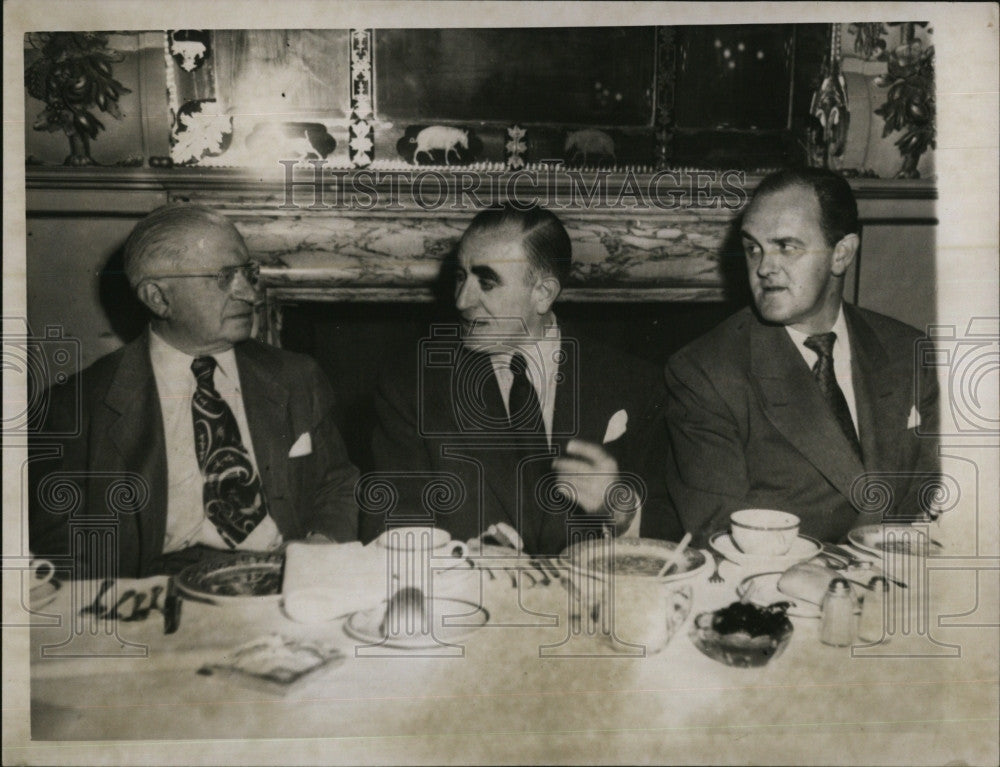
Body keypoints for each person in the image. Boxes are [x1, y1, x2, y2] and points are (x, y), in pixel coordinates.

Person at [29, 204, 360, 577]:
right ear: (158, 297)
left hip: (282, 574)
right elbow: (58, 546)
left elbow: (337, 482)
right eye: (223, 277)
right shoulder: (79, 406)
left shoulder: (297, 376)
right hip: (156, 594)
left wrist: (321, 544)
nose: (249, 294)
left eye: (247, 274)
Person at [367, 203, 680, 555]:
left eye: (486, 282)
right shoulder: (410, 388)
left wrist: (618, 509)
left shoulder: (633, 383)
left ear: (543, 293)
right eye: (460, 277)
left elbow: (678, 528)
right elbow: (394, 530)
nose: (462, 300)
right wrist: (462, 558)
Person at [664, 167, 940, 546]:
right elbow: (720, 537)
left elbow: (943, 494)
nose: (763, 267)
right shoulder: (706, 372)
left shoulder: (909, 352)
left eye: (787, 247)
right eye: (753, 248)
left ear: (841, 255)